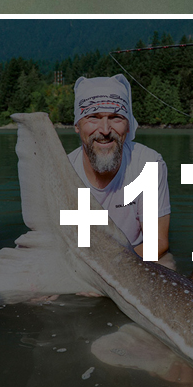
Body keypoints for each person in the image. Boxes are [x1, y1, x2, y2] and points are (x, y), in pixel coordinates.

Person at [69, 75, 173, 266]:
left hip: (134, 258)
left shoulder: (148, 164)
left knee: (167, 264)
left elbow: (157, 241)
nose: (105, 129)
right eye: (94, 117)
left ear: (128, 125)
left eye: (116, 117)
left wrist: (108, 269)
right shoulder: (64, 172)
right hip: (79, 263)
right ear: (77, 125)